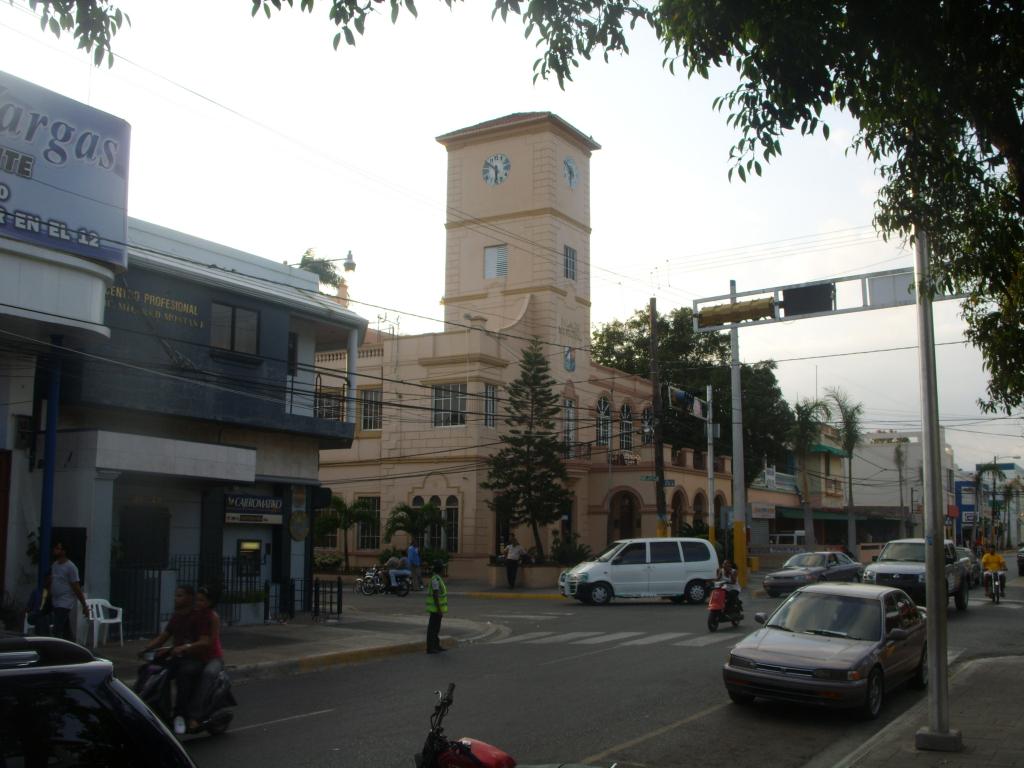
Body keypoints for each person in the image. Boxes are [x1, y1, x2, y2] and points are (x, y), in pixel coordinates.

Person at [139, 585, 201, 733]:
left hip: (192, 658)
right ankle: (161, 709)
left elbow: (201, 642)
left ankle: (181, 714)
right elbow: (163, 637)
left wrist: (185, 648)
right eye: (176, 595)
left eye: (180, 596)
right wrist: (147, 648)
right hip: (176, 656)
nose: (176, 599)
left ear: (189, 598)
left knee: (183, 676)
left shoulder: (197, 617)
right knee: (153, 671)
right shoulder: (176, 617)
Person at [173, 585, 224, 734]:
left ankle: (194, 716)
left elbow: (209, 642)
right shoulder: (194, 615)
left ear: (209, 602)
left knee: (208, 674)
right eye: (198, 600)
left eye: (202, 600)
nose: (198, 603)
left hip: (213, 658)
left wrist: (187, 647)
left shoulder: (213, 617)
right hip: (197, 656)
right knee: (183, 672)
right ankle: (179, 711)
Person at [48, 540, 88, 643]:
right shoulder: (55, 565)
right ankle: (70, 642)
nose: (55, 550)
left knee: (57, 627)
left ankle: (57, 645)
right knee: (65, 626)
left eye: (58, 548)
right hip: (55, 600)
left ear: (64, 551)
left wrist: (84, 604)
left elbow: (76, 587)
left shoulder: (70, 567)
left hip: (65, 600)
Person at [425, 559, 448, 654]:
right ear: (440, 569)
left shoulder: (438, 578)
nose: (444, 569)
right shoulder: (435, 579)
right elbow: (435, 595)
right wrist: (439, 609)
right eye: (443, 568)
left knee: (436, 628)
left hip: (437, 608)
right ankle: (431, 647)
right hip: (435, 609)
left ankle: (436, 645)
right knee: (433, 629)